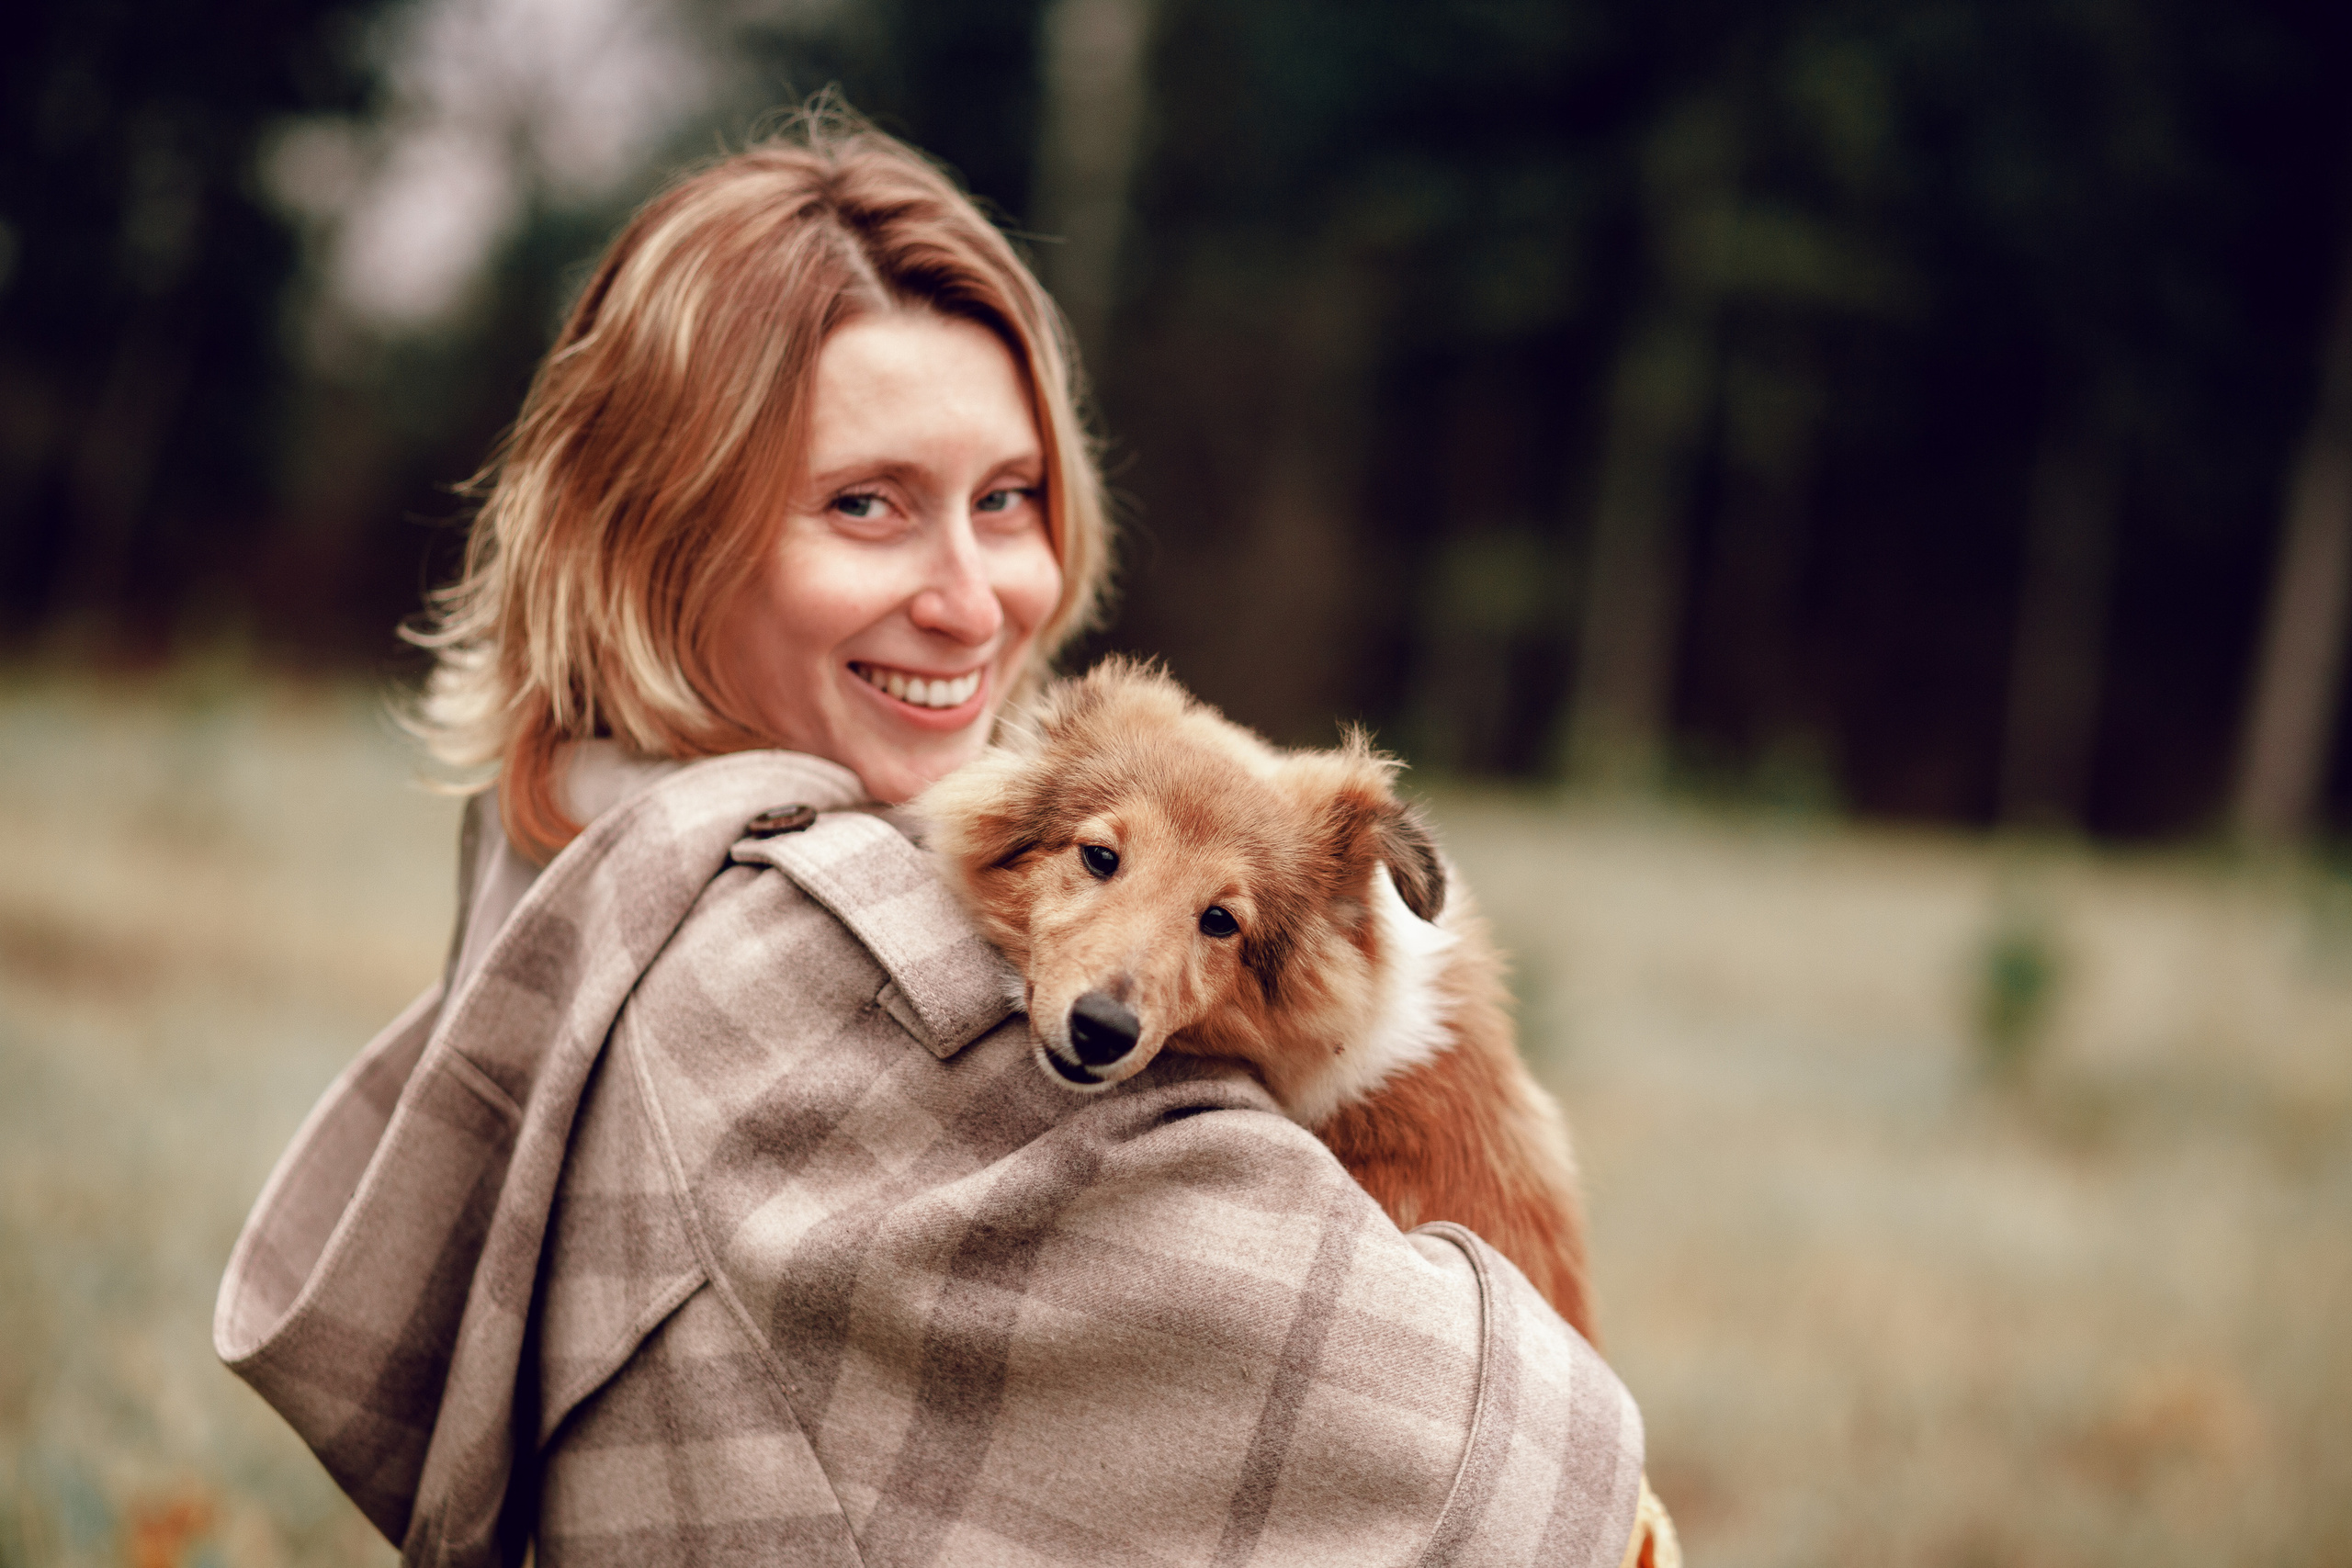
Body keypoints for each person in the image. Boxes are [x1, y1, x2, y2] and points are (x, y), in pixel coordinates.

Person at [215, 108, 1656, 1567]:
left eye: (1007, 499)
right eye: (866, 504)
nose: (974, 602)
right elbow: (1494, 1497)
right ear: (658, 532)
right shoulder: (857, 976)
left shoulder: (575, 831)